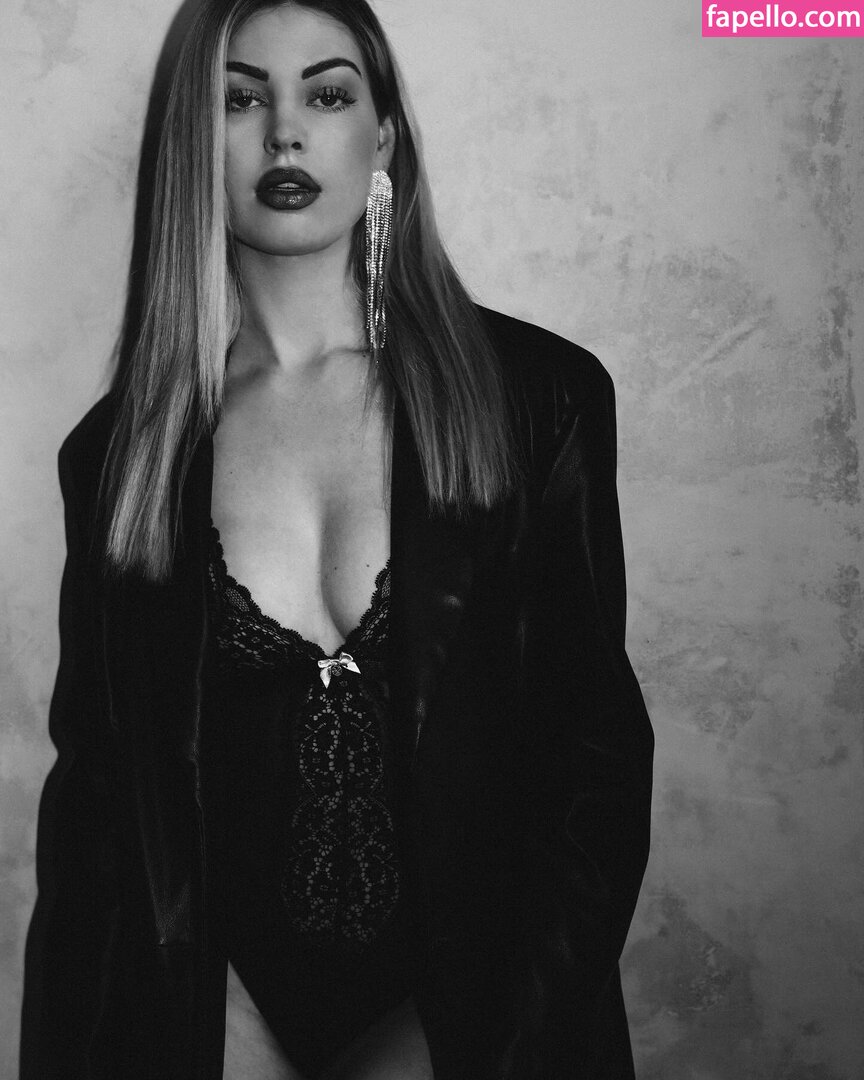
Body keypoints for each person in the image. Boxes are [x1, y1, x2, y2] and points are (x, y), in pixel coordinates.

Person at [20, 0, 654, 1077]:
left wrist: (464, 1044)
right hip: (215, 1039)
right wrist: (207, 1028)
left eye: (325, 93)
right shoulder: (123, 454)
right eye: (239, 99)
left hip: (486, 1030)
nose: (284, 132)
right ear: (192, 142)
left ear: (383, 138)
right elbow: (101, 809)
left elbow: (595, 764)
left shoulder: (536, 400)